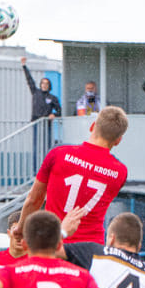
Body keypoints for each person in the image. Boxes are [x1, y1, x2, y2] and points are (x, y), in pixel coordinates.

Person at [16, 105, 129, 245]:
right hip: (90, 248)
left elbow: (34, 200)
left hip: (55, 243)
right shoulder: (120, 172)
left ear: (92, 126)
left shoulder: (58, 154)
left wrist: (20, 228)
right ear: (118, 140)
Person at [21, 57, 61, 121]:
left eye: (46, 84)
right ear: (40, 84)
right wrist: (24, 66)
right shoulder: (35, 92)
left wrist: (54, 114)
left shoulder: (53, 98)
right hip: (36, 122)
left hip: (46, 124)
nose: (44, 85)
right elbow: (30, 80)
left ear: (49, 86)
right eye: (43, 83)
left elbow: (60, 111)